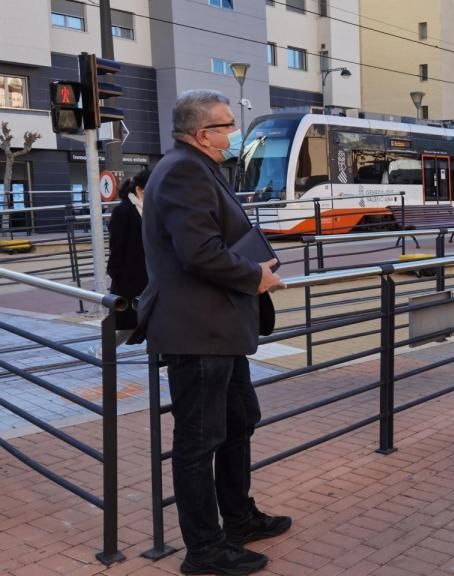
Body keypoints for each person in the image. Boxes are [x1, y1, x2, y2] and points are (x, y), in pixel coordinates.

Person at [137, 90, 288, 576]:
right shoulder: (183, 170)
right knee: (198, 443)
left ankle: (239, 518)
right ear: (204, 133)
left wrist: (249, 265)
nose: (233, 132)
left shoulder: (194, 166)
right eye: (226, 125)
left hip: (217, 328)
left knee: (240, 418)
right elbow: (198, 252)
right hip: (198, 331)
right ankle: (205, 550)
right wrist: (254, 276)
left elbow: (211, 239)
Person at [106, 169, 150, 345]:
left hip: (149, 274)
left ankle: (162, 363)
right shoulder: (123, 211)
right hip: (129, 276)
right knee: (129, 323)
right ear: (139, 190)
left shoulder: (150, 209)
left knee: (153, 320)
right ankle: (105, 351)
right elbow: (116, 246)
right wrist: (115, 273)